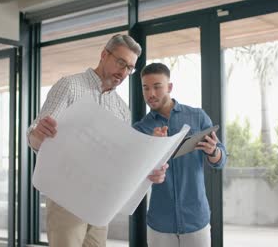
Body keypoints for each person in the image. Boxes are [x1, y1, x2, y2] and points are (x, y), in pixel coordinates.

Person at [27, 34, 168, 247]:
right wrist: (38, 134)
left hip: (100, 202)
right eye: (121, 63)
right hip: (67, 198)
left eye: (129, 68)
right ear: (104, 54)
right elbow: (36, 135)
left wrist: (149, 169)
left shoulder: (121, 109)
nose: (123, 72)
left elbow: (121, 160)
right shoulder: (70, 86)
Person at [133, 63, 227, 247]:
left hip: (196, 220)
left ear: (169, 87)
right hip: (160, 224)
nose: (151, 94)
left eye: (157, 87)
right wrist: (153, 147)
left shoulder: (197, 117)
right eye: (146, 88)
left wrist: (213, 151)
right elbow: (135, 173)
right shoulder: (141, 129)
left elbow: (221, 159)